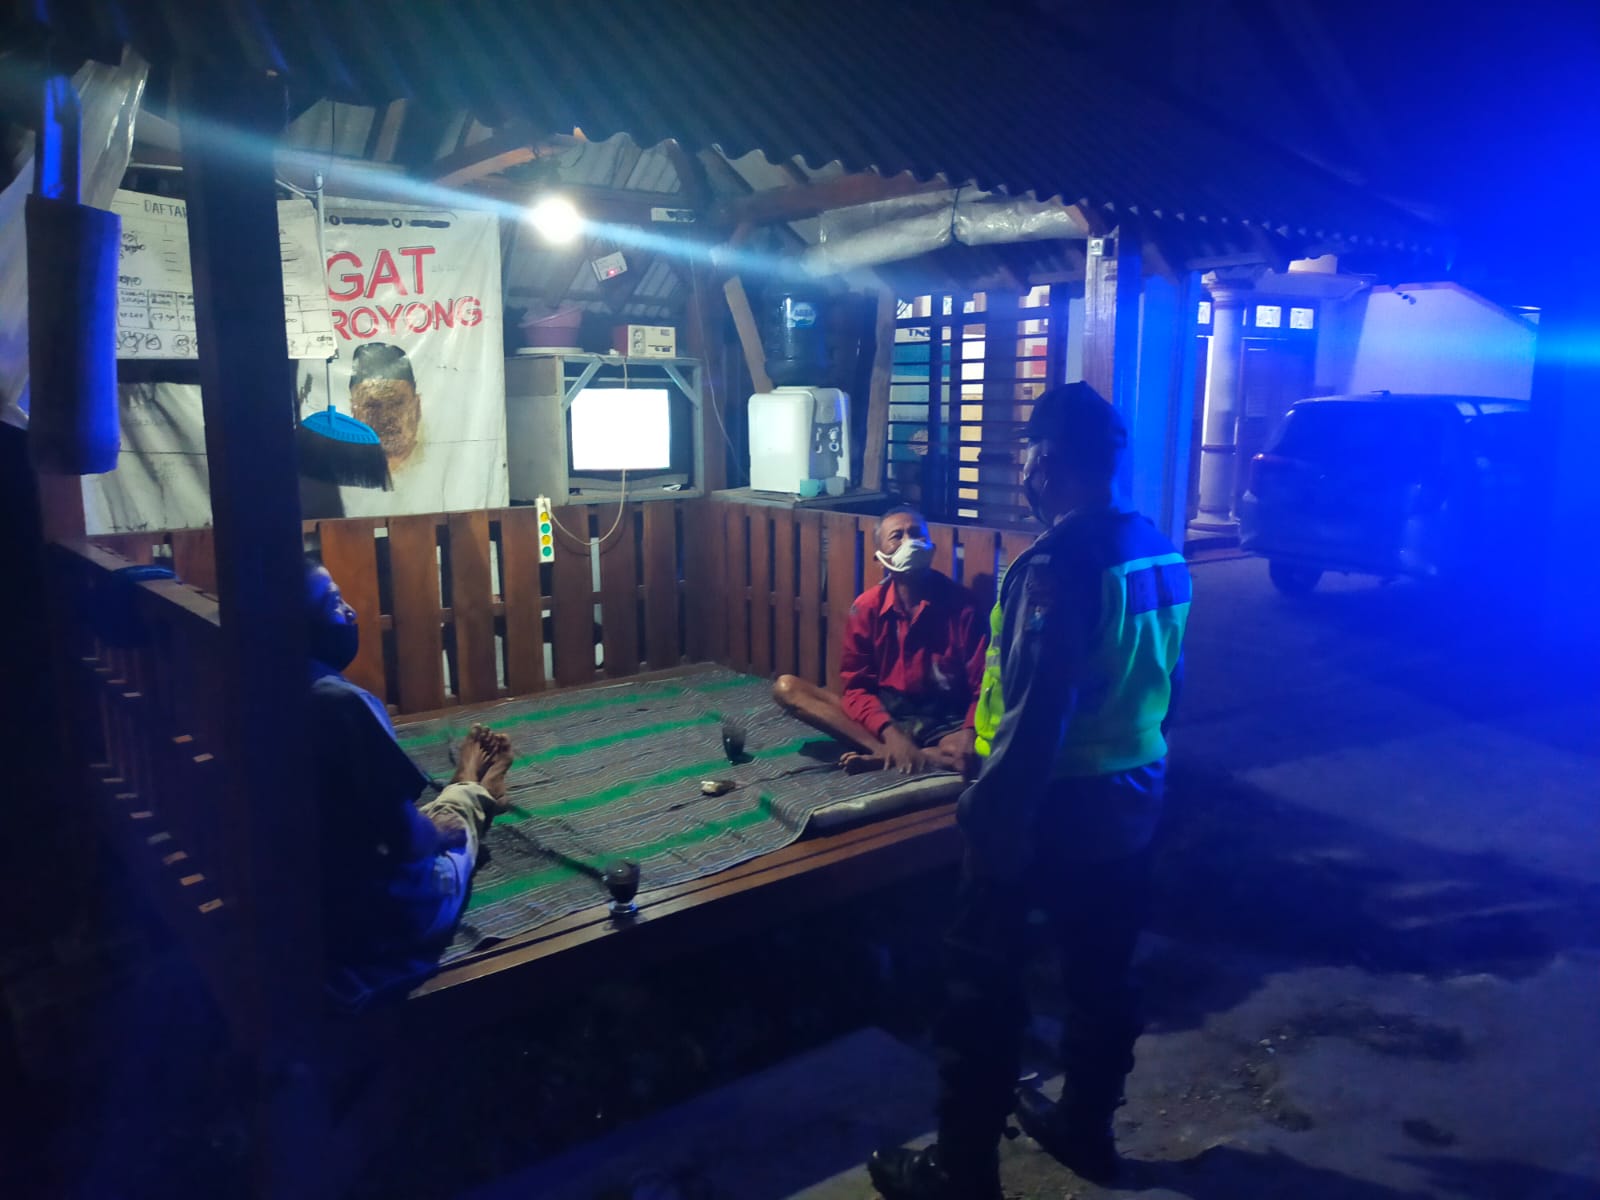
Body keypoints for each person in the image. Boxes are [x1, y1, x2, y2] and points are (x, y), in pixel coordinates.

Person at [867, 384, 1191, 1199]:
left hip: (1051, 807)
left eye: (1025, 459)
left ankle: (963, 1173)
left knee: (981, 989)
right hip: (1134, 799)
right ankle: (1087, 1127)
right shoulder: (1159, 548)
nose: (1023, 474)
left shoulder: (1055, 565)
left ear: (1047, 462)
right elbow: (1169, 682)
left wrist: (989, 818)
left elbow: (1039, 708)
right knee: (1101, 973)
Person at [305, 557, 515, 969]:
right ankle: (477, 792)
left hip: (302, 900)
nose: (351, 612)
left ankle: (465, 787)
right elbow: (409, 841)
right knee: (451, 826)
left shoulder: (253, 690)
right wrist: (438, 832)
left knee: (398, 814)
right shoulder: (339, 704)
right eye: (334, 603)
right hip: (383, 920)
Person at [772, 506, 987, 777]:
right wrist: (889, 733)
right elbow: (857, 688)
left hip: (943, 721)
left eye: (917, 533)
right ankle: (887, 751)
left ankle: (901, 757)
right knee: (787, 688)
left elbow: (984, 683)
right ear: (880, 556)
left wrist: (970, 729)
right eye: (897, 536)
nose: (910, 542)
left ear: (931, 546)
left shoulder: (962, 605)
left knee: (969, 755)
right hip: (886, 716)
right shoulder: (866, 608)